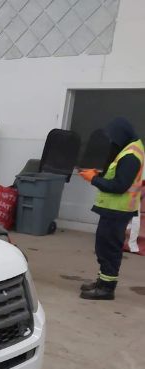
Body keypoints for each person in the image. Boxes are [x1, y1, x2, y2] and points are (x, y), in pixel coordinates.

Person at [78, 117, 144, 300]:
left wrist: (93, 179)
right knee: (103, 247)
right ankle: (102, 281)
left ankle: (107, 289)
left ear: (121, 135)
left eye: (113, 137)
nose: (111, 141)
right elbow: (116, 176)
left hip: (118, 210)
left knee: (109, 249)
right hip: (113, 209)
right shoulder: (128, 148)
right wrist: (98, 175)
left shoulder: (131, 155)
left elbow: (119, 185)